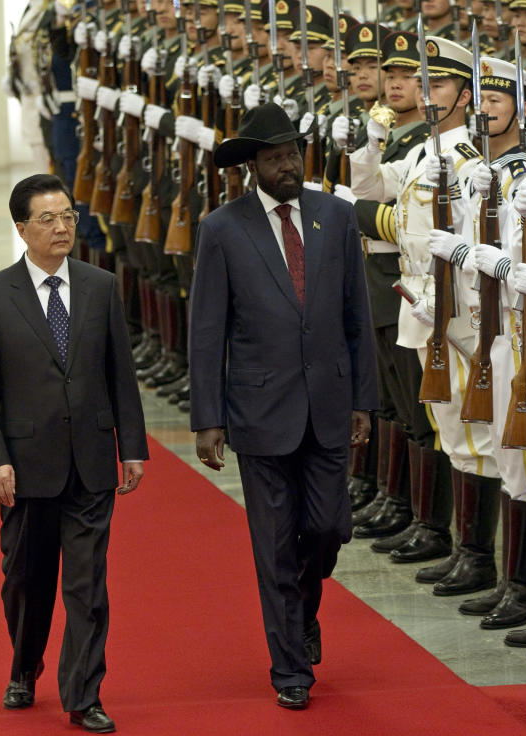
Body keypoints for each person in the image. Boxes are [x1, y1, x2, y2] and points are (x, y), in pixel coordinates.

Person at [188, 102, 378, 710]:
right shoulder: (222, 229)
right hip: (258, 412)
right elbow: (206, 329)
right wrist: (208, 417)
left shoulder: (336, 217)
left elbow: (358, 315)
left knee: (327, 528)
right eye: (275, 159)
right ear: (253, 168)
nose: (289, 165)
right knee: (272, 545)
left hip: (327, 404)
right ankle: (289, 667)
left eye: (293, 153)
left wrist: (363, 402)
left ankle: (302, 608)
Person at [0, 173, 148, 734]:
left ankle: (83, 695)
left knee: (88, 586)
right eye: (47, 219)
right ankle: (24, 666)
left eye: (67, 216)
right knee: (26, 582)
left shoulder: (100, 286)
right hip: (24, 467)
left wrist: (131, 448)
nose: (62, 227)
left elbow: (121, 373)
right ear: (21, 229)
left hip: (90, 462)